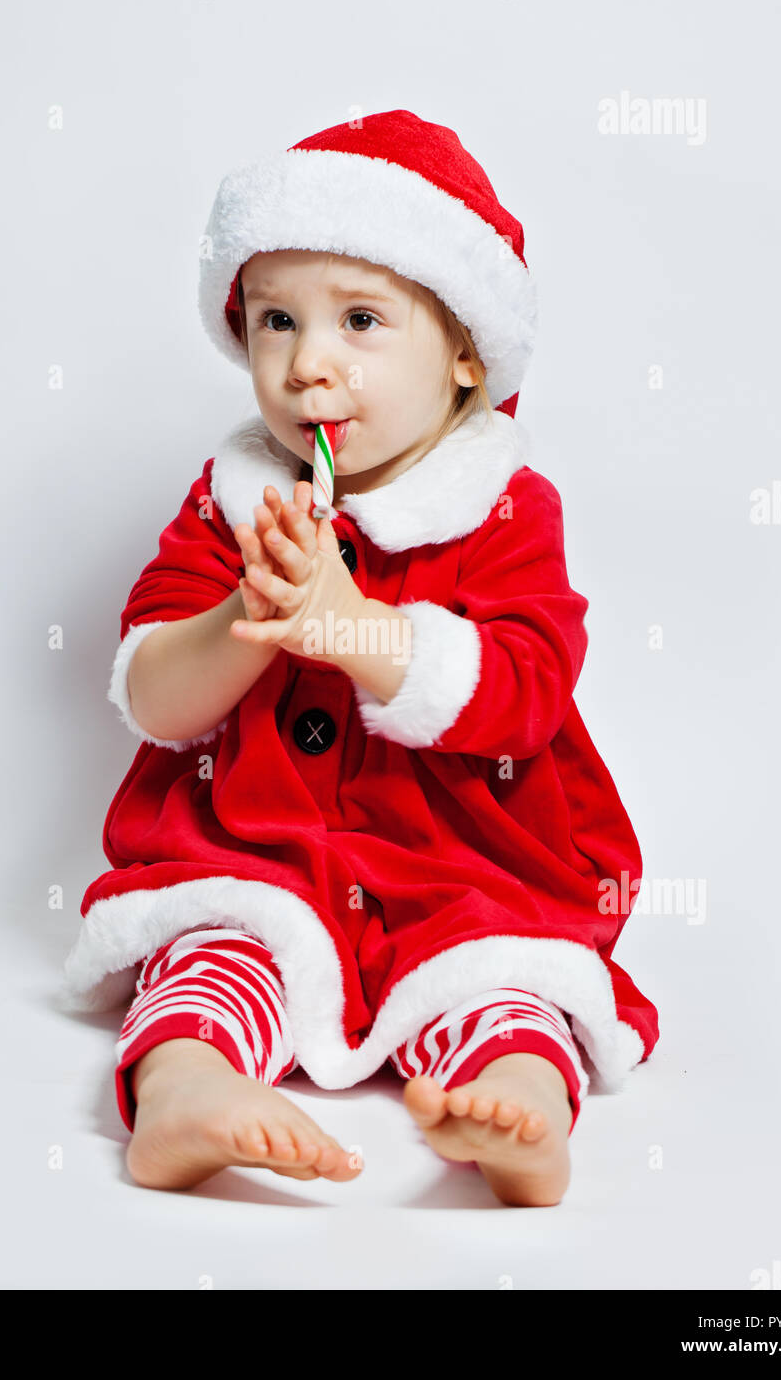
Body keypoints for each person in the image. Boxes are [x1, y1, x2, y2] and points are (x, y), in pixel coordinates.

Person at [61, 109, 659, 1207]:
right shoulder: (234, 498)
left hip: (465, 866)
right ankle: (186, 1090)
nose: (306, 364)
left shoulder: (502, 506)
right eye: (277, 320)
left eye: (361, 321)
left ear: (467, 352)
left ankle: (515, 1106)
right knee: (207, 950)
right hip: (265, 854)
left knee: (509, 980)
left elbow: (525, 696)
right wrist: (250, 607)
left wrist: (352, 630)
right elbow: (154, 698)